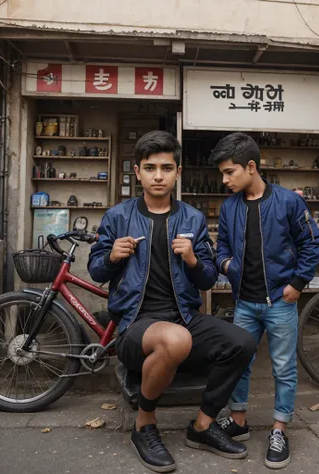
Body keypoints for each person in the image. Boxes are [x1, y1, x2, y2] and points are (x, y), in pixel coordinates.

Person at [88, 131, 256, 473]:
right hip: (136, 325)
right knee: (174, 339)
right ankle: (144, 424)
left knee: (242, 341)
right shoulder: (118, 216)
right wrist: (112, 257)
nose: (159, 175)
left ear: (178, 172)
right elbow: (95, 271)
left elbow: (208, 279)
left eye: (167, 168)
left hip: (183, 318)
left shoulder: (192, 219)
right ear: (138, 173)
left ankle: (203, 425)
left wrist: (194, 260)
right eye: (150, 168)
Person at [210, 132, 319, 469]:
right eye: (222, 174)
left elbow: (311, 243)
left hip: (280, 302)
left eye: (230, 172)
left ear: (251, 167)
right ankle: (240, 421)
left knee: (284, 368)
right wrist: (228, 265)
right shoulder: (229, 207)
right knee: (238, 364)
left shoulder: (289, 201)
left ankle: (279, 428)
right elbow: (222, 249)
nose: (225, 180)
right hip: (244, 301)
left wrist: (298, 283)